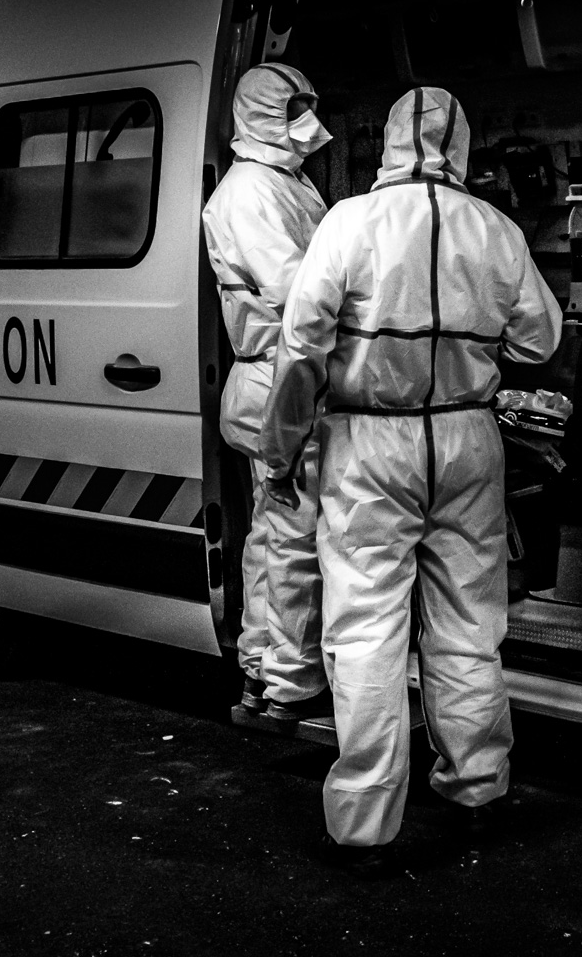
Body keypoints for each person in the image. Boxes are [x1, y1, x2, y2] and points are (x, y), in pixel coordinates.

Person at [260, 85, 560, 871]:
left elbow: (300, 348)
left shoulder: (348, 223)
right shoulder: (495, 228)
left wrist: (281, 451)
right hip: (467, 438)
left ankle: (365, 827)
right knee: (469, 625)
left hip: (367, 441)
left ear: (391, 141)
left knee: (366, 632)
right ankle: (478, 791)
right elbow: (540, 341)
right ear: (461, 145)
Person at [200, 63, 334, 723]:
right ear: (259, 115)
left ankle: (264, 666)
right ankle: (285, 681)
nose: (307, 121)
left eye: (309, 105)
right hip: (277, 379)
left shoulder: (288, 180)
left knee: (277, 535)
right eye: (293, 109)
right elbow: (300, 289)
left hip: (291, 377)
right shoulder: (250, 191)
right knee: (292, 538)